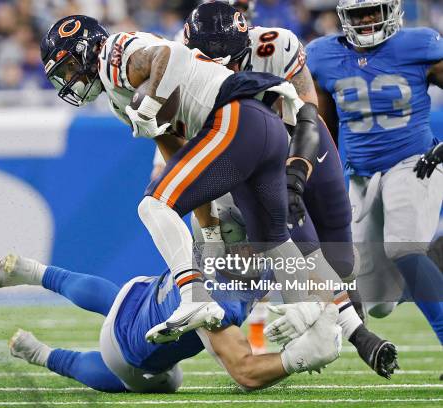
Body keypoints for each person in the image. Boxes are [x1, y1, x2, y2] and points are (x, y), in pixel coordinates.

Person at [40, 14, 324, 344]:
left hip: (234, 116)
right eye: (62, 75)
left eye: (70, 67)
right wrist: (210, 229)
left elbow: (171, 54)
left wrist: (149, 106)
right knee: (271, 233)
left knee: (153, 205)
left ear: (88, 49)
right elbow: (177, 154)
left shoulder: (115, 54)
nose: (70, 79)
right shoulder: (118, 96)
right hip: (265, 125)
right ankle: (306, 306)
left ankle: (192, 297)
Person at [180, 0, 398, 379]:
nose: (223, 71)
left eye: (229, 60)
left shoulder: (275, 46)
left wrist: (297, 171)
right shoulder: (181, 75)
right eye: (209, 61)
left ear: (244, 43)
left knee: (342, 259)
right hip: (254, 162)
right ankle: (352, 330)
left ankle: (348, 306)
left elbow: (308, 113)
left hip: (304, 142)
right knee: (306, 254)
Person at [0, 246, 342, 393]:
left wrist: (304, 309)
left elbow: (272, 289)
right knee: (169, 382)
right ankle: (42, 355)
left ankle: (39, 272)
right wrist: (297, 357)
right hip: (127, 350)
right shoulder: (218, 307)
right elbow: (245, 373)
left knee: (117, 299)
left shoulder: (215, 244)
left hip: (139, 293)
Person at [306, 0, 443, 343]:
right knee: (378, 301)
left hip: (415, 162)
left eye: (373, 10)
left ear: (392, 9)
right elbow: (324, 124)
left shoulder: (418, 44)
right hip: (362, 175)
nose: (366, 19)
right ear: (343, 17)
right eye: (357, 13)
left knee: (403, 248)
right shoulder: (322, 55)